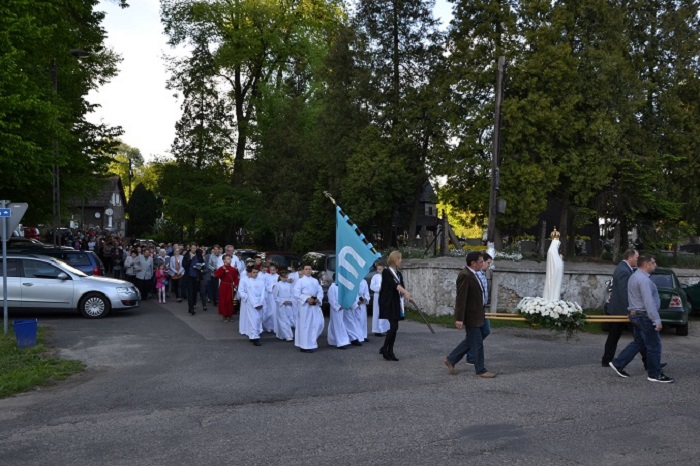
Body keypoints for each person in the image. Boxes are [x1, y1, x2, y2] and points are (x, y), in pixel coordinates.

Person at [609, 255, 673, 383]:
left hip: (636, 314)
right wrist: (656, 319)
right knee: (654, 345)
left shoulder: (634, 276)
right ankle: (654, 374)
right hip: (644, 316)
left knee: (640, 342)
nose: (655, 265)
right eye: (653, 263)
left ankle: (619, 363)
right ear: (646, 265)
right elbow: (648, 301)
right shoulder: (643, 280)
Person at [444, 251, 496, 378]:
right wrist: (459, 318)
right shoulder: (465, 275)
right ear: (473, 263)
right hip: (471, 315)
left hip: (479, 313)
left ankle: (451, 359)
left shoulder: (475, 273)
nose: (483, 264)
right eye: (480, 262)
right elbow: (461, 299)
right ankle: (480, 370)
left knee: (478, 336)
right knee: (477, 343)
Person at [601, 249, 647, 367]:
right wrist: (631, 309)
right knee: (640, 336)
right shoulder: (623, 270)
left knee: (615, 336)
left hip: (620, 309)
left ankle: (607, 360)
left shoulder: (625, 268)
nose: (637, 260)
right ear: (630, 257)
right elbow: (623, 292)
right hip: (622, 310)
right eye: (636, 258)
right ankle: (650, 363)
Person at [379, 251, 413, 361]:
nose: (401, 261)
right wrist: (405, 292)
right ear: (394, 260)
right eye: (399, 259)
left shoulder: (399, 274)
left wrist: (407, 296)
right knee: (393, 327)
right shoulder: (386, 272)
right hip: (388, 302)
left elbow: (401, 286)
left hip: (396, 302)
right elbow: (395, 285)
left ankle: (390, 351)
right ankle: (385, 348)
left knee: (395, 327)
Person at [293, 264, 325, 353]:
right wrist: (306, 299)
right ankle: (305, 346)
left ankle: (311, 342)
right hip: (305, 306)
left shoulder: (315, 281)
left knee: (318, 323)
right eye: (306, 269)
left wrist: (318, 298)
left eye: (309, 269)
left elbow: (320, 291)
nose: (308, 270)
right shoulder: (300, 281)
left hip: (315, 304)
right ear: (303, 271)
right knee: (305, 325)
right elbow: (296, 293)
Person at [238, 265, 265, 346]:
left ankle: (254, 334)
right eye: (254, 272)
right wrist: (250, 300)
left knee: (258, 318)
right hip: (250, 302)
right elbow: (242, 291)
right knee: (253, 319)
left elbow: (263, 292)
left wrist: (261, 302)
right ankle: (254, 337)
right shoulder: (246, 281)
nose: (255, 274)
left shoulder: (261, 281)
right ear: (249, 272)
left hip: (259, 302)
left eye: (257, 272)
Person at [214, 253, 240, 322]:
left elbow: (236, 278)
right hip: (224, 286)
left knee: (230, 301)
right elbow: (217, 275)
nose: (230, 260)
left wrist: (236, 285)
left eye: (230, 259)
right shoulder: (221, 268)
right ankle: (224, 315)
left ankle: (230, 314)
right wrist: (223, 270)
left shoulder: (233, 269)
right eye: (228, 259)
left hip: (231, 286)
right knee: (224, 300)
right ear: (224, 260)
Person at [327, 279, 351, 349]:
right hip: (336, 309)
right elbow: (331, 299)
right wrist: (337, 306)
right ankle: (340, 342)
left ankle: (333, 340)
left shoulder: (341, 287)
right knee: (337, 324)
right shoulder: (332, 287)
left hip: (342, 307)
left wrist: (344, 304)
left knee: (339, 323)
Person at [182, 243, 205, 315]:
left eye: (195, 248)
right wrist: (190, 259)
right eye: (192, 248)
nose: (194, 249)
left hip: (196, 276)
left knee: (195, 292)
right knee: (190, 292)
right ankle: (191, 308)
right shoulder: (186, 255)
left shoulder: (198, 254)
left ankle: (193, 304)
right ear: (190, 248)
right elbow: (184, 265)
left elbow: (202, 263)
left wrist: (200, 267)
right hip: (189, 276)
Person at [274, 269, 296, 341]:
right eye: (284, 277)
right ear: (280, 277)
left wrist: (291, 301)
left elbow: (292, 294)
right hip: (281, 305)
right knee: (283, 320)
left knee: (289, 319)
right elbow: (275, 297)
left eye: (286, 277)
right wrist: (282, 302)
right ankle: (287, 335)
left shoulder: (289, 285)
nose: (285, 278)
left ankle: (287, 334)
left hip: (289, 304)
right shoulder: (277, 285)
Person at [543, 228, 564, 301]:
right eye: (558, 244)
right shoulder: (551, 251)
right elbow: (554, 264)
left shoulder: (554, 251)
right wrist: (560, 261)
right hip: (552, 274)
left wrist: (560, 259)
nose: (558, 246)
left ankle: (555, 298)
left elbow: (557, 264)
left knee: (556, 284)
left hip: (556, 273)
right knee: (552, 283)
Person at [370, 259, 390, 336]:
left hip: (385, 296)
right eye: (377, 269)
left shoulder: (387, 276)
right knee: (377, 312)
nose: (378, 271)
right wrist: (379, 289)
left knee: (385, 311)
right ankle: (377, 330)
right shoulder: (375, 276)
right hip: (378, 295)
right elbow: (372, 286)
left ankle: (385, 328)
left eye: (380, 269)